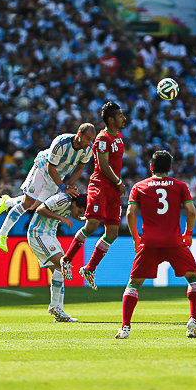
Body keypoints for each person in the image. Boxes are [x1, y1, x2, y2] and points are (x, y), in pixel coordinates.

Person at [117, 150, 196, 339]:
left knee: (134, 284)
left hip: (149, 242)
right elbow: (191, 210)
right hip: (174, 241)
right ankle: (193, 321)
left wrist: (136, 238)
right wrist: (188, 234)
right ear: (170, 168)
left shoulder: (139, 186)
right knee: (194, 279)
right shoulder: (180, 186)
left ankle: (125, 327)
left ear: (150, 167)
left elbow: (130, 213)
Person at [0, 123, 96, 252]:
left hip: (58, 175)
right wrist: (63, 187)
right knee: (27, 203)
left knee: (33, 205)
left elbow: (80, 167)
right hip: (43, 167)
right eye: (87, 138)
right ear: (79, 135)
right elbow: (50, 167)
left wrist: (69, 185)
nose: (89, 142)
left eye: (92, 139)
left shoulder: (89, 149)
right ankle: (1, 234)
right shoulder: (61, 143)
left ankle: (7, 202)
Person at [60, 102, 127, 290]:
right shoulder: (102, 139)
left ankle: (89, 268)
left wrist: (117, 184)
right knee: (92, 225)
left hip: (113, 190)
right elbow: (104, 166)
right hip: (100, 186)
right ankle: (67, 259)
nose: (124, 118)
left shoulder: (120, 137)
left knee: (112, 232)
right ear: (111, 120)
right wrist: (118, 182)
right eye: (120, 116)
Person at [27, 192, 87, 322]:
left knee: (59, 271)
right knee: (63, 264)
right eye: (79, 211)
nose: (79, 214)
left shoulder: (70, 205)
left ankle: (58, 311)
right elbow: (40, 209)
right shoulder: (62, 199)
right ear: (75, 203)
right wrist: (62, 219)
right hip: (38, 233)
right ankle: (54, 307)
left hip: (50, 235)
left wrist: (83, 219)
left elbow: (70, 213)